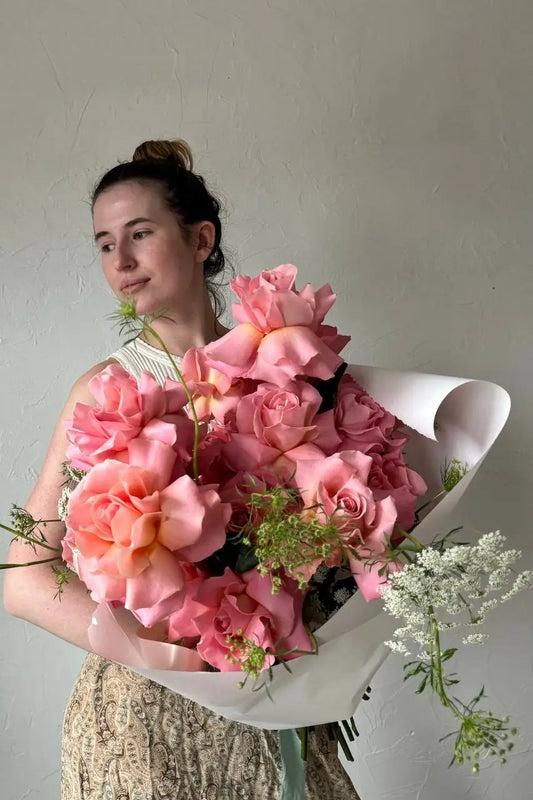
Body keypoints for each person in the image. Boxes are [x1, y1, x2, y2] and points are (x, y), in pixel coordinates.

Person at [3, 139, 360, 799]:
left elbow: (343, 539)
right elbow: (22, 574)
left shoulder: (288, 372)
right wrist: (156, 649)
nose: (121, 261)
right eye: (105, 244)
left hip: (272, 694)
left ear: (201, 239)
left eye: (140, 233)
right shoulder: (104, 394)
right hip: (144, 724)